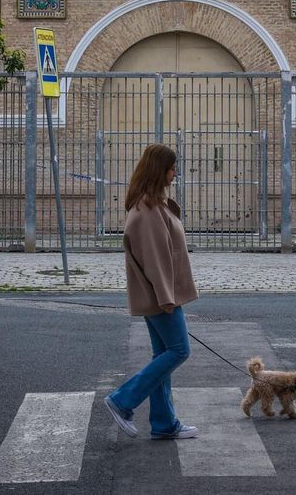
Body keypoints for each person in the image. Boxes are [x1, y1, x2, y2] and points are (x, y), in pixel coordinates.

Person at [104, 143, 199, 441]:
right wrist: (166, 298)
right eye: (171, 168)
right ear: (160, 170)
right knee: (179, 350)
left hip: (160, 294)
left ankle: (163, 423)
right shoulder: (147, 210)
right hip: (161, 296)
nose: (175, 173)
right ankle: (123, 400)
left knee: (164, 353)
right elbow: (156, 260)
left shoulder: (153, 204)